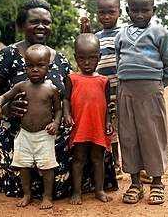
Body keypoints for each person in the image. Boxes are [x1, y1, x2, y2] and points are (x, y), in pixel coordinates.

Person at [0, 0, 118, 203]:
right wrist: (5, 108)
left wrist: (101, 105)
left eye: (46, 22)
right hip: (18, 133)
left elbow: (74, 93)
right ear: (22, 25)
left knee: (84, 150)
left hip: (53, 132)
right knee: (22, 183)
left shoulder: (60, 60)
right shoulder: (7, 55)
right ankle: (5, 169)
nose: (41, 26)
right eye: (34, 21)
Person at [115, 0, 168, 205]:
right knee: (129, 137)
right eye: (134, 10)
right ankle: (135, 183)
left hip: (151, 90)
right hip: (125, 91)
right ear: (127, 10)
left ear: (154, 10)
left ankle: (157, 182)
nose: (139, 15)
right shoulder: (121, 35)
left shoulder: (161, 34)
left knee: (152, 136)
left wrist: (157, 86)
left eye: (145, 10)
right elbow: (118, 63)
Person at [0, 44, 62, 209]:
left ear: (49, 67)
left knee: (48, 166)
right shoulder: (22, 86)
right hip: (24, 135)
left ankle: (47, 196)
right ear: (25, 67)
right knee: (24, 166)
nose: (35, 69)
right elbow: (2, 97)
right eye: (30, 66)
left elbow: (58, 110)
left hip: (45, 135)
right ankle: (27, 194)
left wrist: (56, 122)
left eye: (40, 66)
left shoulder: (52, 90)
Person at [63, 33, 114, 205]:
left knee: (98, 160)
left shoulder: (104, 81)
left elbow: (108, 104)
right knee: (78, 160)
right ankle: (76, 192)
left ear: (99, 57)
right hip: (80, 127)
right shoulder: (72, 79)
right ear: (76, 57)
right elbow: (66, 99)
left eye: (92, 57)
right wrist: (66, 114)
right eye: (82, 58)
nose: (86, 62)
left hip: (97, 127)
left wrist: (108, 122)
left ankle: (99, 190)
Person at [95, 0, 123, 180]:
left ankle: (137, 164)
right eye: (102, 12)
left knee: (128, 130)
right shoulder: (94, 37)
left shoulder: (125, 34)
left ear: (119, 12)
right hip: (104, 94)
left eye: (111, 12)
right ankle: (116, 165)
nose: (106, 16)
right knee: (110, 131)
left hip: (123, 92)